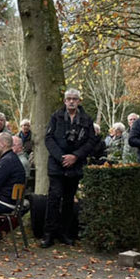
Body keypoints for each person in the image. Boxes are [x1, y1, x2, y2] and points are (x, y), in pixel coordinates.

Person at [42, 88, 96, 248]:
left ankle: (64, 233)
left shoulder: (86, 119)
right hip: (57, 165)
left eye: (74, 99)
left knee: (68, 200)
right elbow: (48, 138)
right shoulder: (56, 117)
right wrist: (61, 157)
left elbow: (91, 141)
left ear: (79, 101)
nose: (71, 101)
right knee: (54, 198)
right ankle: (48, 234)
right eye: (69, 98)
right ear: (65, 101)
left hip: (75, 165)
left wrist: (76, 156)